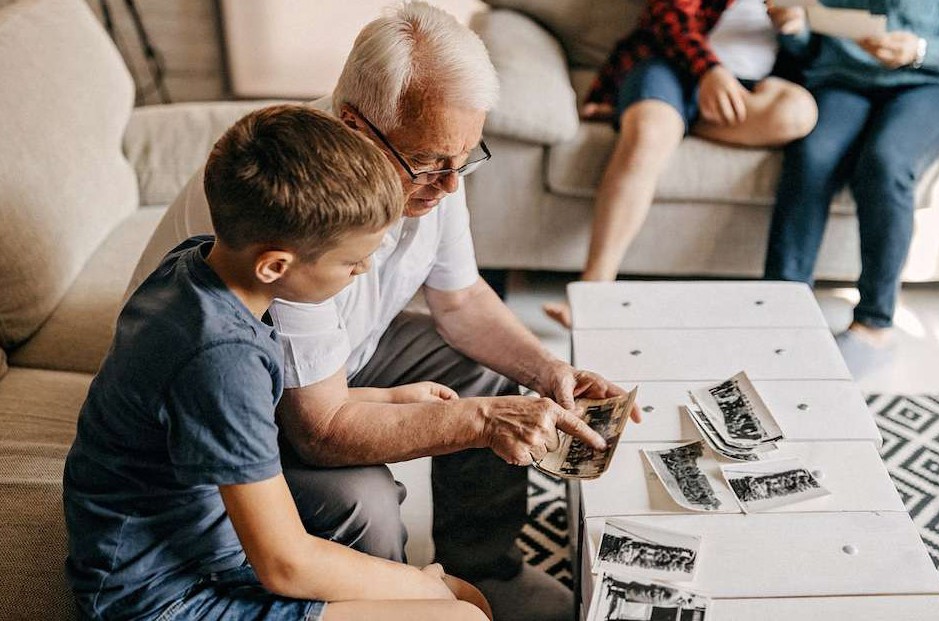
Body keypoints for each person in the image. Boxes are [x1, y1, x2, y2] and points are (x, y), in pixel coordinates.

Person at [127, 3, 637, 620]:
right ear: (357, 128)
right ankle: (386, 594)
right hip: (261, 400)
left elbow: (462, 298)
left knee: (494, 377)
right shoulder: (292, 225)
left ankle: (483, 565)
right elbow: (320, 430)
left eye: (466, 159)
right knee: (361, 497)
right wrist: (480, 425)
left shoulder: (427, 160)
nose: (451, 186)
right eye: (430, 164)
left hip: (333, 363)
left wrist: (545, 370)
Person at [64, 105, 491, 621]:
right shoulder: (219, 355)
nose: (364, 268)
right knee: (456, 613)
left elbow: (234, 413)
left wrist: (384, 397)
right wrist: (415, 589)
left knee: (463, 596)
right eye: (351, 260)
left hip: (210, 548)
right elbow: (284, 564)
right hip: (167, 596)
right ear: (275, 265)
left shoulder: (200, 268)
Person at [543, 0, 819, 328]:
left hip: (746, 87)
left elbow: (812, 54)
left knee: (798, 113)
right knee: (647, 136)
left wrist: (796, 29)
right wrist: (709, 70)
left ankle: (671, 120)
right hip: (671, 65)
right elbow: (668, 16)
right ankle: (593, 290)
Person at [763, 0, 939, 369]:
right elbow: (814, 48)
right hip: (844, 79)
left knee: (886, 161)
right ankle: (780, 307)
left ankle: (874, 324)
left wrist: (920, 49)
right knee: (812, 156)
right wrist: (796, 30)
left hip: (937, 82)